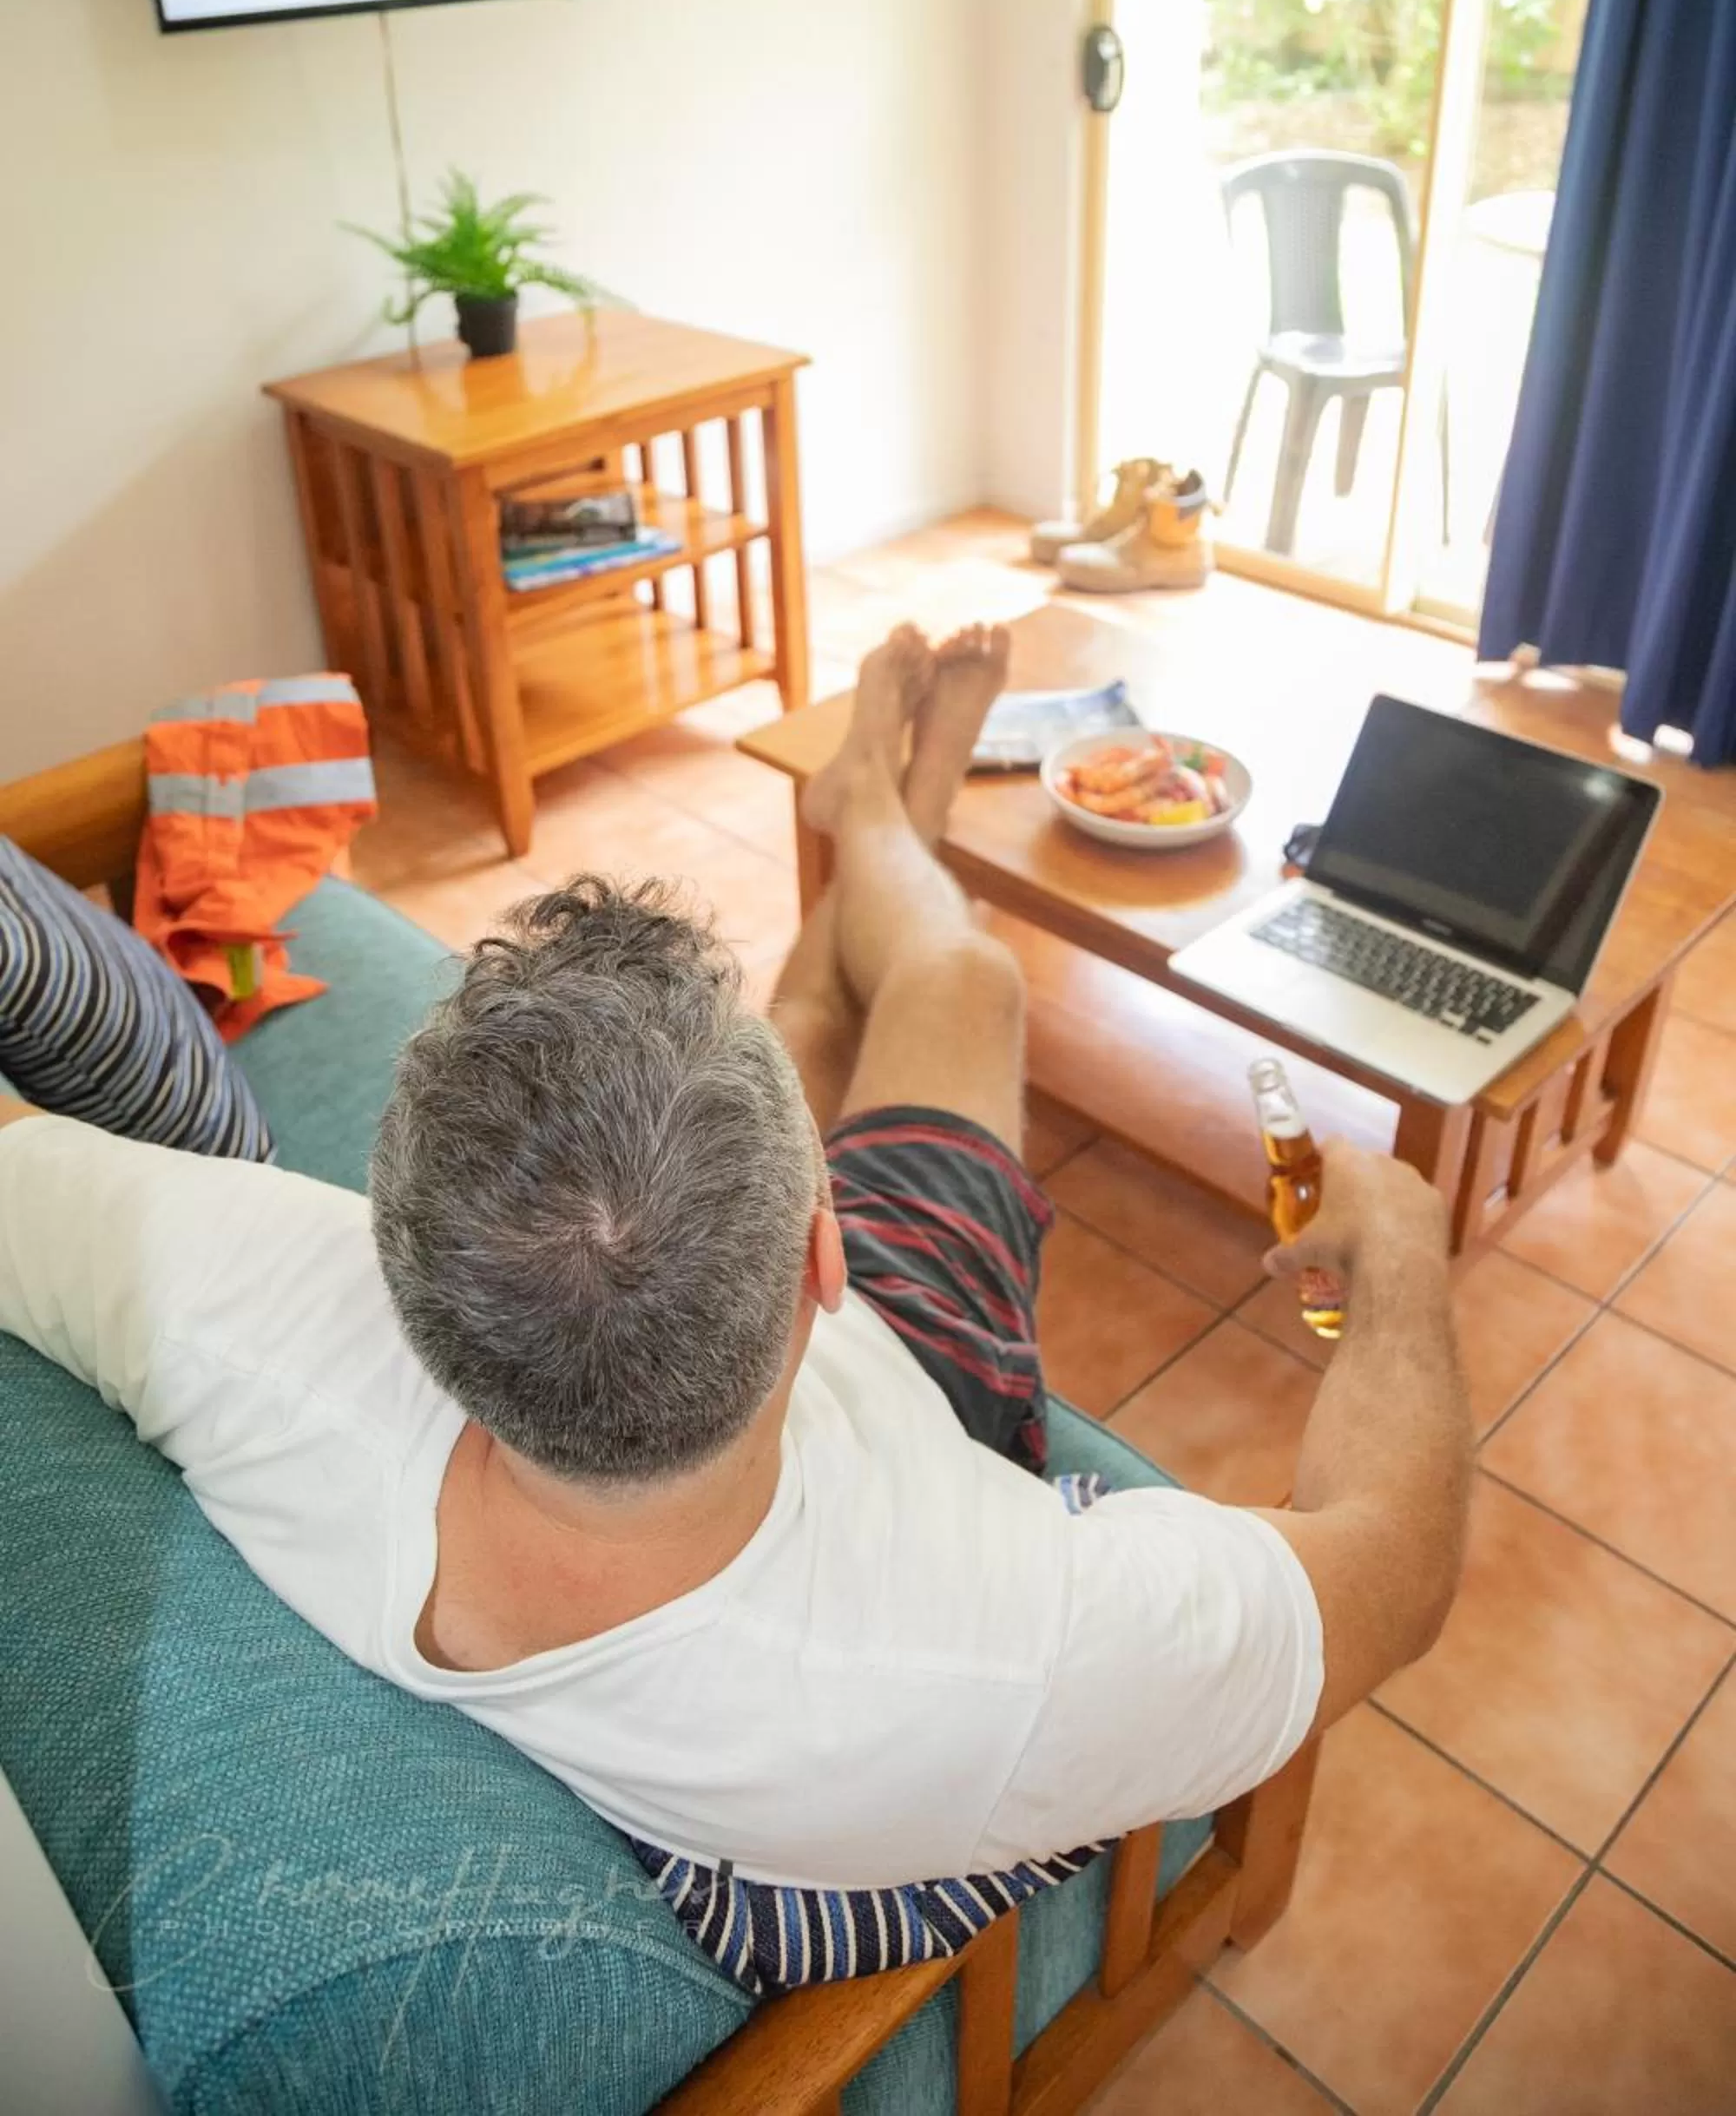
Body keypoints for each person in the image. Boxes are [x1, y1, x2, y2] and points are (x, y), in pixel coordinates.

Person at [0, 626, 1472, 1996]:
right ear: (832, 1262)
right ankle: (886, 824)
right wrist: (1402, 1247)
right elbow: (1393, 1573)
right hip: (920, 1426)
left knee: (815, 1024)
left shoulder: (233, 1305)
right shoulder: (1005, 1653)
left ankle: (876, 818)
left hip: (776, 1440)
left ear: (403, 1269)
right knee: (959, 980)